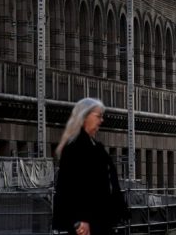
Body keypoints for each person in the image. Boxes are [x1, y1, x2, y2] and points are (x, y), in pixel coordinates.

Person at [52, 98, 127, 235]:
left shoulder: (95, 146)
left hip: (100, 219)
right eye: (98, 116)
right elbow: (70, 186)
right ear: (84, 117)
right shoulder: (75, 147)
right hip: (87, 224)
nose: (102, 120)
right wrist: (79, 219)